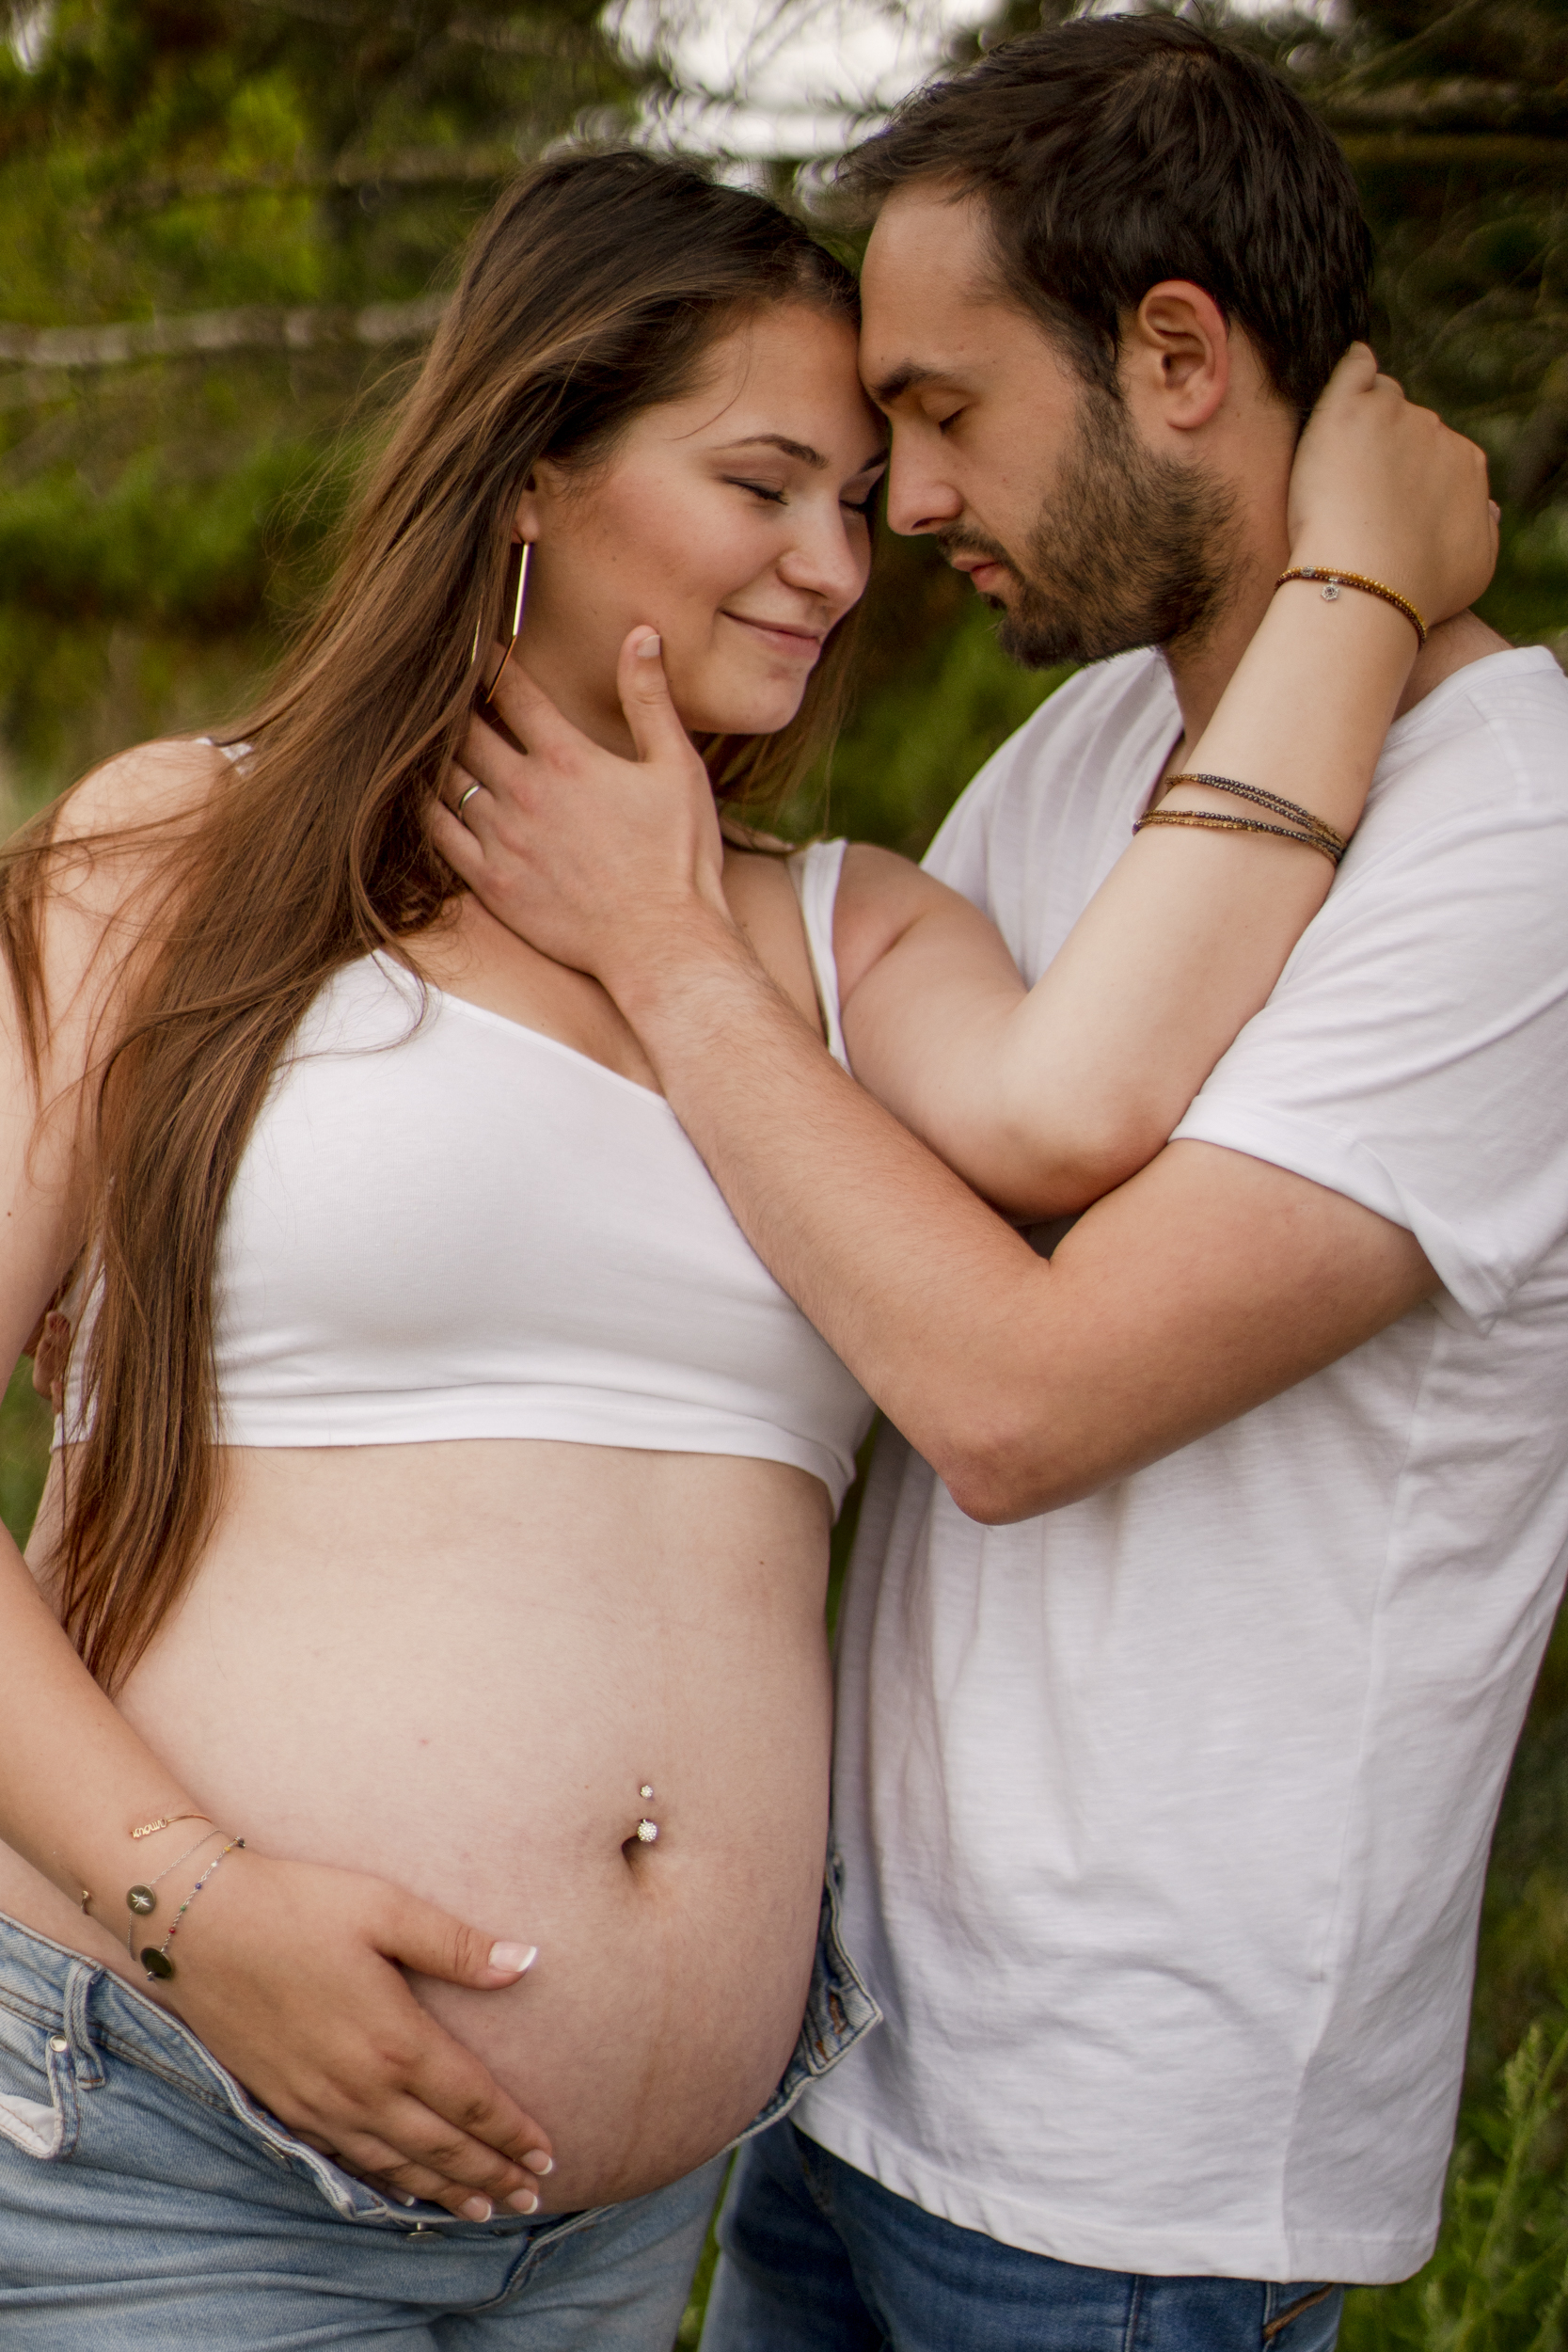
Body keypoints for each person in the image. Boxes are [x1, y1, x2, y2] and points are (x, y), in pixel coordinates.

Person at [0, 138, 1486, 2348]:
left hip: (616, 2235)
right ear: (534, 468)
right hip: (173, 2130)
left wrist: (1356, 588)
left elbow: (1082, 1107)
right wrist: (198, 1907)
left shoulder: (839, 931)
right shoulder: (173, 850)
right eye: (765, 482)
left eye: (861, 492)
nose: (840, 557)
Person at [424, 23, 1565, 2352]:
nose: (896, 514)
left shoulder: (1517, 838)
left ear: (1173, 355)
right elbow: (849, 1186)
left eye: (937, 415)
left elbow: (1016, 1394)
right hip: (855, 2065)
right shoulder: (1086, 748)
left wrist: (656, 932)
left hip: (1129, 2159)